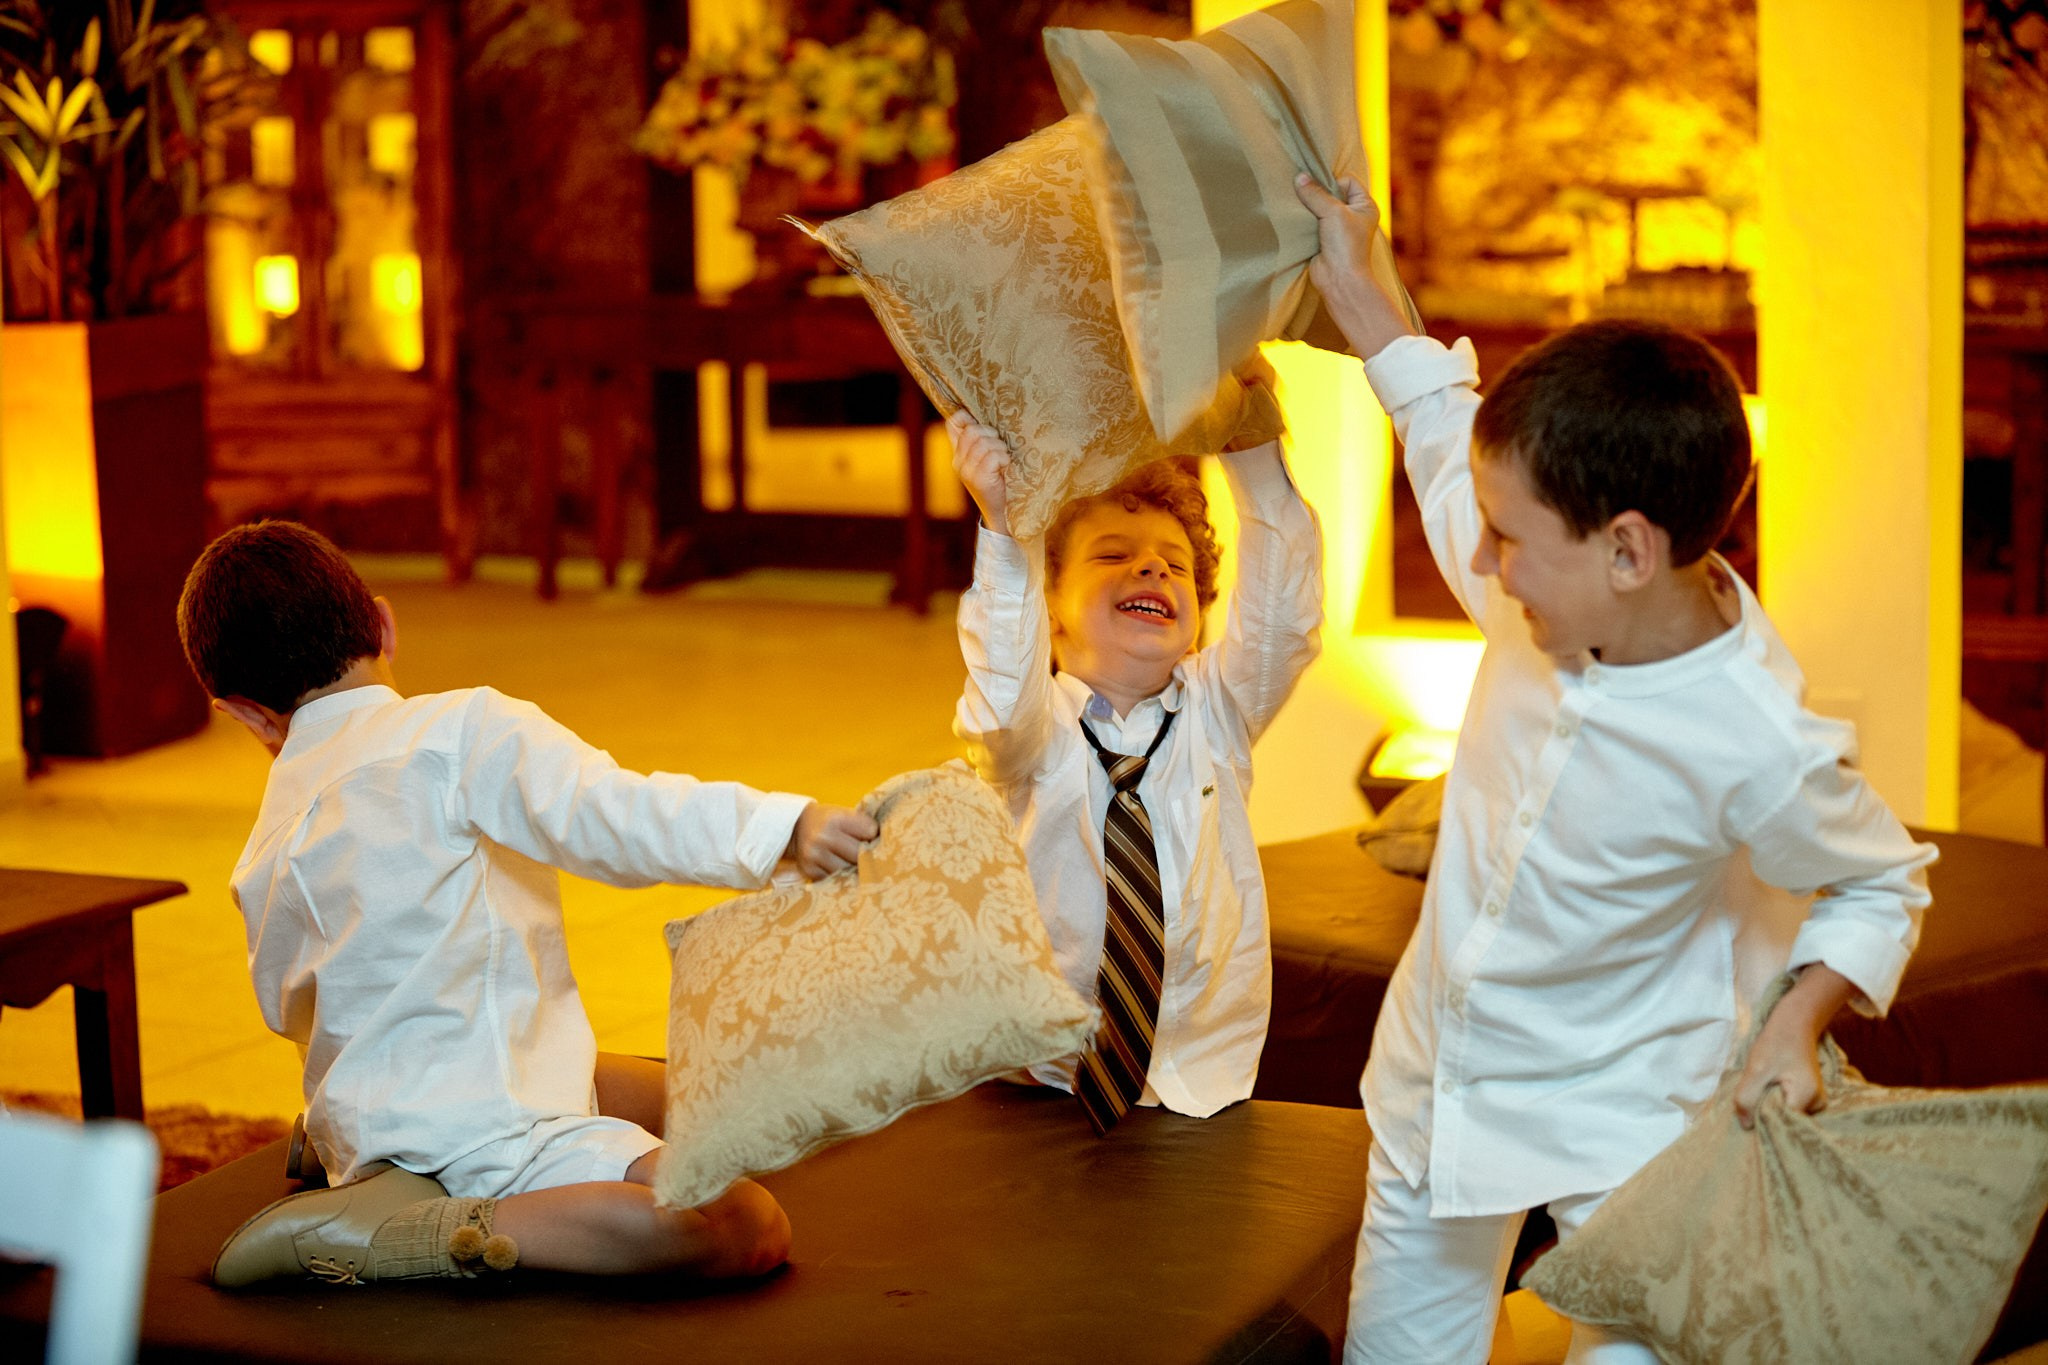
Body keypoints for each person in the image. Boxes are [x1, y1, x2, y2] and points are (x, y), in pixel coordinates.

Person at [1291, 174, 1936, 1364]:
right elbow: (1442, 434)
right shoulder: (1528, 577)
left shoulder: (1755, 738)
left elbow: (1879, 882)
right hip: (1441, 1083)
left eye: (1508, 539)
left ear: (1627, 550)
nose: (1477, 561)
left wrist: (1797, 1026)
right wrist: (1364, 287)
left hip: (1630, 1113)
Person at [177, 520, 877, 1285]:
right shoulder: (459, 732)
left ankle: (350, 1147)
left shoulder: (261, 846)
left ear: (243, 711)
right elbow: (621, 814)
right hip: (489, 1127)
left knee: (732, 1095)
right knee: (740, 1222)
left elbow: (289, 1010)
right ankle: (405, 1229)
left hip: (380, 1106)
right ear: (383, 621)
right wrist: (786, 830)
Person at [946, 377, 1323, 1133]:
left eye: (1175, 566)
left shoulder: (1218, 711)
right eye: (1113, 555)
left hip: (1203, 1075)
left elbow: (1284, 617)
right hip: (1034, 1074)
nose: (1151, 569)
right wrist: (1005, 533)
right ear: (1050, 611)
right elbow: (998, 692)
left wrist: (1254, 452)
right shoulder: (1025, 733)